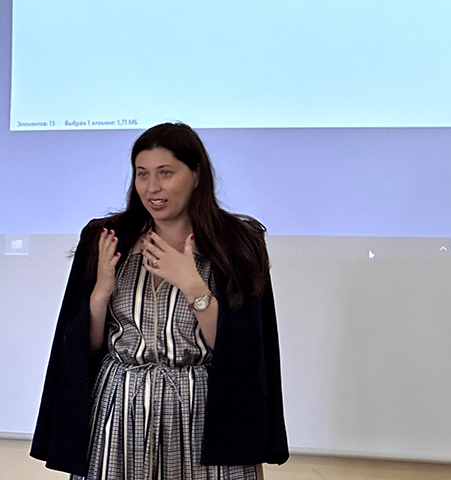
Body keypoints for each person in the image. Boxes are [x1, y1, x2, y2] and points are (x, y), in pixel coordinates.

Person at [31, 122, 288, 479]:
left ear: (196, 175)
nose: (152, 187)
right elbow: (82, 350)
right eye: (142, 174)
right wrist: (101, 291)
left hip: (202, 414)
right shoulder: (107, 238)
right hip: (118, 413)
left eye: (165, 173)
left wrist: (192, 285)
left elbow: (243, 354)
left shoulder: (236, 243)